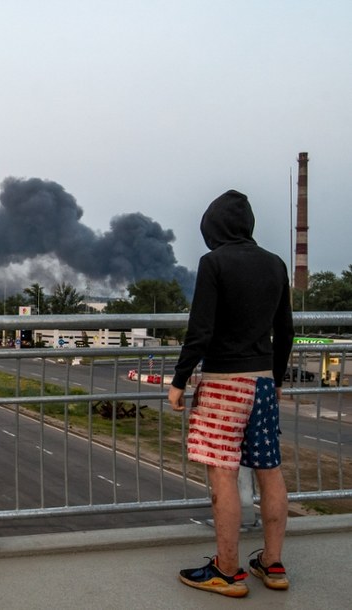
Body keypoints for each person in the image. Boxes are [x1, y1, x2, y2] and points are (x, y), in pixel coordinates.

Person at [167, 189, 294, 598]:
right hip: (261, 383)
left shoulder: (214, 263)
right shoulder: (275, 264)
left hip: (224, 384)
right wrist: (274, 378)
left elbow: (200, 330)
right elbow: (286, 331)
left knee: (222, 473)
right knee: (269, 471)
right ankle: (273, 565)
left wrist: (179, 380)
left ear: (213, 228)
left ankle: (227, 570)